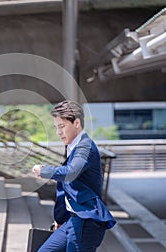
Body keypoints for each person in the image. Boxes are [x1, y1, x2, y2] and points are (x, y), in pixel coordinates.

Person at [32, 100, 116, 252]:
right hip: (72, 219)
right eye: (56, 127)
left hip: (86, 222)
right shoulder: (72, 147)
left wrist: (44, 170)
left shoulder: (85, 147)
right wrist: (60, 218)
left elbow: (70, 173)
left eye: (62, 126)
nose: (58, 132)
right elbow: (68, 188)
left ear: (76, 123)